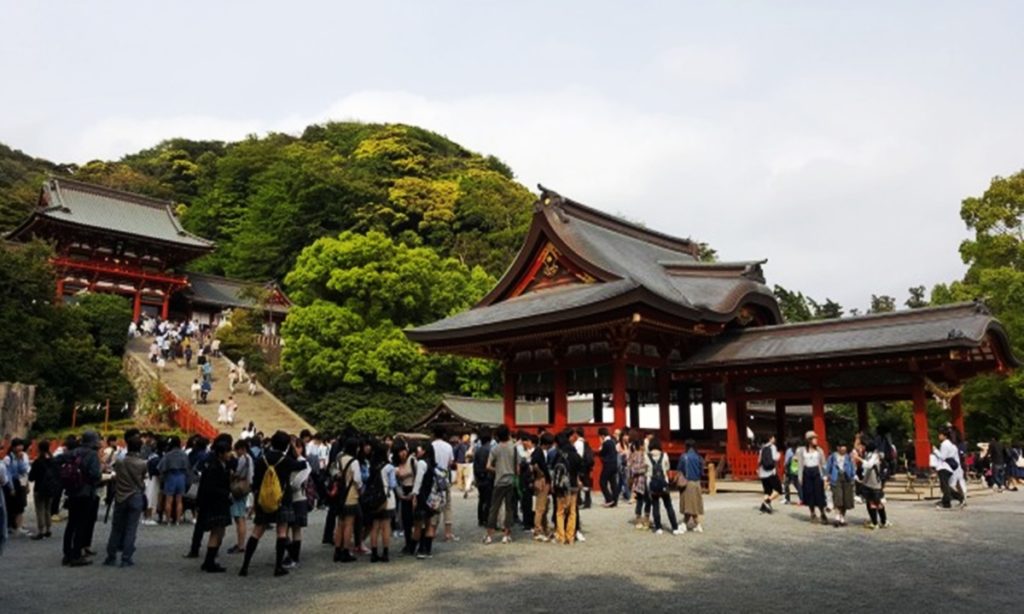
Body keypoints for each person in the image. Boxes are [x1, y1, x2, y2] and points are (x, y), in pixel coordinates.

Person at [239, 431, 306, 577]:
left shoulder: (261, 459)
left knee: (257, 531)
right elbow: (302, 464)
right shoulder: (286, 460)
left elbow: (255, 481)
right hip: (282, 498)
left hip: (264, 500)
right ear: (286, 445)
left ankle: (245, 566)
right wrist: (295, 450)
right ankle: (278, 567)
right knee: (282, 532)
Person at [104, 435, 148, 567]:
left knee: (116, 528)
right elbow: (143, 478)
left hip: (121, 495)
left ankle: (111, 556)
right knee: (131, 528)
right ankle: (126, 557)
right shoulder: (142, 464)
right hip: (135, 495)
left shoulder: (120, 461)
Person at [63, 431, 102, 566]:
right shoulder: (92, 455)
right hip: (86, 492)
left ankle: (67, 554)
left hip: (72, 491)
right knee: (81, 524)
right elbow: (95, 474)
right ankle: (76, 555)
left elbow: (58, 462)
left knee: (71, 523)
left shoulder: (73, 452)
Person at [196, 439, 233, 572]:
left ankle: (210, 560)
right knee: (216, 532)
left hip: (219, 502)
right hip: (216, 503)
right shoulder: (214, 468)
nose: (230, 454)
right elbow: (211, 488)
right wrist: (226, 493)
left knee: (219, 531)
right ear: (220, 453)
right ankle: (209, 561)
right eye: (228, 451)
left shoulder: (220, 465)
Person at [484, 424, 518, 544]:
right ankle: (506, 535)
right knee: (509, 508)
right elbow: (517, 468)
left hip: (498, 481)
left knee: (494, 508)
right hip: (510, 481)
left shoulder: (495, 449)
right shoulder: (513, 448)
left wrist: (497, 470)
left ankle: (489, 535)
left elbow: (488, 466)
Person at [330, 438, 362, 563]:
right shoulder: (354, 461)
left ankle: (337, 550)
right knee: (349, 524)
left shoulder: (339, 458)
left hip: (340, 494)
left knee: (340, 523)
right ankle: (345, 550)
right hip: (351, 494)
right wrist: (360, 490)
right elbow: (357, 480)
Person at [410, 442, 443, 559]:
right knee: (429, 523)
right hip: (431, 498)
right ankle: (427, 549)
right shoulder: (432, 464)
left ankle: (415, 548)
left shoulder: (421, 463)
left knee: (419, 524)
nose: (418, 451)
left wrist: (414, 495)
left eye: (420, 449)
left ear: (424, 451)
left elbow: (418, 481)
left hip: (422, 496)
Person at [283, 437, 311, 568]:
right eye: (295, 446)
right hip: (288, 498)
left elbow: (296, 484)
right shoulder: (286, 461)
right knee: (285, 528)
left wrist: (287, 485)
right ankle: (290, 553)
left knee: (296, 528)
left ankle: (294, 556)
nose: (297, 449)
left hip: (298, 497)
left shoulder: (304, 463)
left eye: (300, 447)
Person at [367, 441, 397, 563]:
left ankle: (374, 553)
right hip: (387, 499)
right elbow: (393, 484)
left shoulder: (372, 466)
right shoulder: (389, 467)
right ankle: (385, 553)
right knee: (386, 526)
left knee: (374, 527)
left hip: (374, 499)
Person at [551, 431, 582, 545]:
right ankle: (571, 537)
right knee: (572, 512)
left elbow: (553, 468)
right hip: (573, 485)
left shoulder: (559, 454)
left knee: (560, 512)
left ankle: (561, 536)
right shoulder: (575, 454)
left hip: (561, 487)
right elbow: (581, 466)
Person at [645, 439, 681, 535]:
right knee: (668, 505)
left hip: (652, 483)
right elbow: (668, 467)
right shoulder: (664, 455)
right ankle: (674, 527)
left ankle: (658, 528)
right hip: (663, 482)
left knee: (655, 505)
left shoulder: (646, 456)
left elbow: (645, 469)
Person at [28, 439, 60, 539]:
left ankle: (40, 530)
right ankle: (48, 529)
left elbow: (31, 477)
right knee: (48, 509)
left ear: (39, 449)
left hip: (39, 488)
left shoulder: (37, 462)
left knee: (40, 509)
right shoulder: (53, 460)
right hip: (50, 488)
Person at [430, 427, 457, 542]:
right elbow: (450, 462)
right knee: (447, 506)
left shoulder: (431, 446)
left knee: (434, 505)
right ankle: (448, 533)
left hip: (433, 479)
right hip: (444, 478)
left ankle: (432, 531)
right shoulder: (448, 446)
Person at [157, 436, 192, 525]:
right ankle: (178, 520)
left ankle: (168, 520)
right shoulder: (184, 455)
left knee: (169, 500)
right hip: (181, 477)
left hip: (170, 476)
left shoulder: (168, 455)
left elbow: (160, 467)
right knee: (179, 500)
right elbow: (188, 468)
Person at [227, 439, 253, 554]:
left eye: (237, 450)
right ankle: (241, 543)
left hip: (239, 488)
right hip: (246, 487)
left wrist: (231, 475)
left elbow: (237, 473)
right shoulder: (250, 458)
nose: (236, 453)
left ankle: (241, 544)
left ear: (242, 449)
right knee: (240, 516)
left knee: (239, 517)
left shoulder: (243, 459)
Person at [797, 432, 828, 523]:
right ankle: (812, 513)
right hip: (807, 472)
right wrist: (800, 477)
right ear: (809, 440)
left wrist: (825, 477)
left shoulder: (819, 450)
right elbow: (800, 464)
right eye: (814, 438)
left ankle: (822, 512)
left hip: (817, 472)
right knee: (809, 493)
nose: (816, 440)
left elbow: (823, 464)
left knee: (819, 493)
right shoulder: (802, 451)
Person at [860, 442, 891, 530]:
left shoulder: (875, 456)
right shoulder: (868, 455)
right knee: (871, 502)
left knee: (875, 502)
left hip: (874, 482)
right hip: (868, 482)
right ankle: (879, 521)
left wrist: (858, 458)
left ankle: (879, 522)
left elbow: (868, 465)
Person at [933, 428, 966, 510]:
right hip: (950, 467)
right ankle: (953, 499)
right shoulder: (952, 445)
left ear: (944, 436)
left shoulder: (944, 444)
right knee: (945, 486)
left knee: (945, 486)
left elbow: (943, 457)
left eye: (940, 435)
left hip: (944, 467)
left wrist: (935, 451)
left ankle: (950, 501)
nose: (939, 436)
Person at [2, 438, 29, 535]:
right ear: (13, 447)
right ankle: (10, 526)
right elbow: (8, 474)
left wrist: (21, 460)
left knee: (19, 505)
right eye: (18, 445)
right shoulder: (8, 458)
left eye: (21, 445)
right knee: (11, 506)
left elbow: (23, 470)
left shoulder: (20, 456)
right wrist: (11, 487)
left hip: (19, 482)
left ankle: (17, 526)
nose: (21, 447)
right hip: (11, 484)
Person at [677, 439, 704, 533]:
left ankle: (687, 524)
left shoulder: (684, 457)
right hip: (697, 483)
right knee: (693, 505)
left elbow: (680, 469)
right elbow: (702, 472)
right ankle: (696, 524)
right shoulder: (699, 457)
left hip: (688, 483)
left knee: (689, 506)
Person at [826, 443, 856, 526]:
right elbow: (828, 468)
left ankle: (842, 516)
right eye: (842, 447)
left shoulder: (848, 457)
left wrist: (853, 477)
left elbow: (853, 467)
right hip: (836, 477)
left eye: (845, 447)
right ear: (838, 448)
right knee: (837, 497)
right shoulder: (832, 457)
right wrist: (826, 479)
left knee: (846, 498)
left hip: (847, 478)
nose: (843, 449)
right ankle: (837, 516)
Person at [531, 432, 553, 541]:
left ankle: (545, 528)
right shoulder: (538, 452)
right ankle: (537, 530)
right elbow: (533, 464)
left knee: (544, 507)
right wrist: (541, 474)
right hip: (542, 482)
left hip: (543, 481)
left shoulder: (539, 451)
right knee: (540, 508)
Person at [473, 427, 494, 527]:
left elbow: (475, 465)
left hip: (479, 477)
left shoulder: (478, 450)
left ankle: (480, 519)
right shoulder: (490, 450)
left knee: (481, 499)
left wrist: (476, 478)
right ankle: (486, 518)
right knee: (488, 500)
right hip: (488, 477)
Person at [629, 439, 651, 530]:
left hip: (640, 480)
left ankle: (642, 519)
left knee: (642, 500)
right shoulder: (639, 455)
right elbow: (634, 469)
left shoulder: (634, 455)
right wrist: (645, 469)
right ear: (641, 446)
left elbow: (631, 468)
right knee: (645, 500)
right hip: (642, 479)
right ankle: (643, 519)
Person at [757, 435, 783, 514]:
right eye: (773, 438)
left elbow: (759, 461)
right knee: (779, 489)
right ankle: (766, 503)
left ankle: (766, 506)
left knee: (767, 491)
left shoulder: (762, 448)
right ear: (770, 439)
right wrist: (779, 455)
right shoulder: (772, 447)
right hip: (770, 472)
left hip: (762, 472)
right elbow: (775, 458)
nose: (774, 439)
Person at [597, 427, 619, 507]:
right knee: (613, 483)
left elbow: (601, 453)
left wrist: (601, 443)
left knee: (602, 482)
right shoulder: (613, 441)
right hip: (614, 464)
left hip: (608, 465)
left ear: (602, 436)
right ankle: (614, 500)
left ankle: (609, 499)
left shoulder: (606, 443)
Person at [783, 439, 802, 505]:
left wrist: (785, 468)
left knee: (787, 484)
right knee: (797, 484)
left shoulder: (789, 451)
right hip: (797, 468)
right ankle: (801, 498)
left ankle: (787, 499)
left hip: (792, 468)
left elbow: (786, 462)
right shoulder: (800, 450)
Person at [456, 434, 473, 499]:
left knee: (463, 475)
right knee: (461, 475)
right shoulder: (461, 445)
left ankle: (464, 487)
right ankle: (462, 487)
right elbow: (456, 451)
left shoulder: (468, 445)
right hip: (462, 461)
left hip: (464, 462)